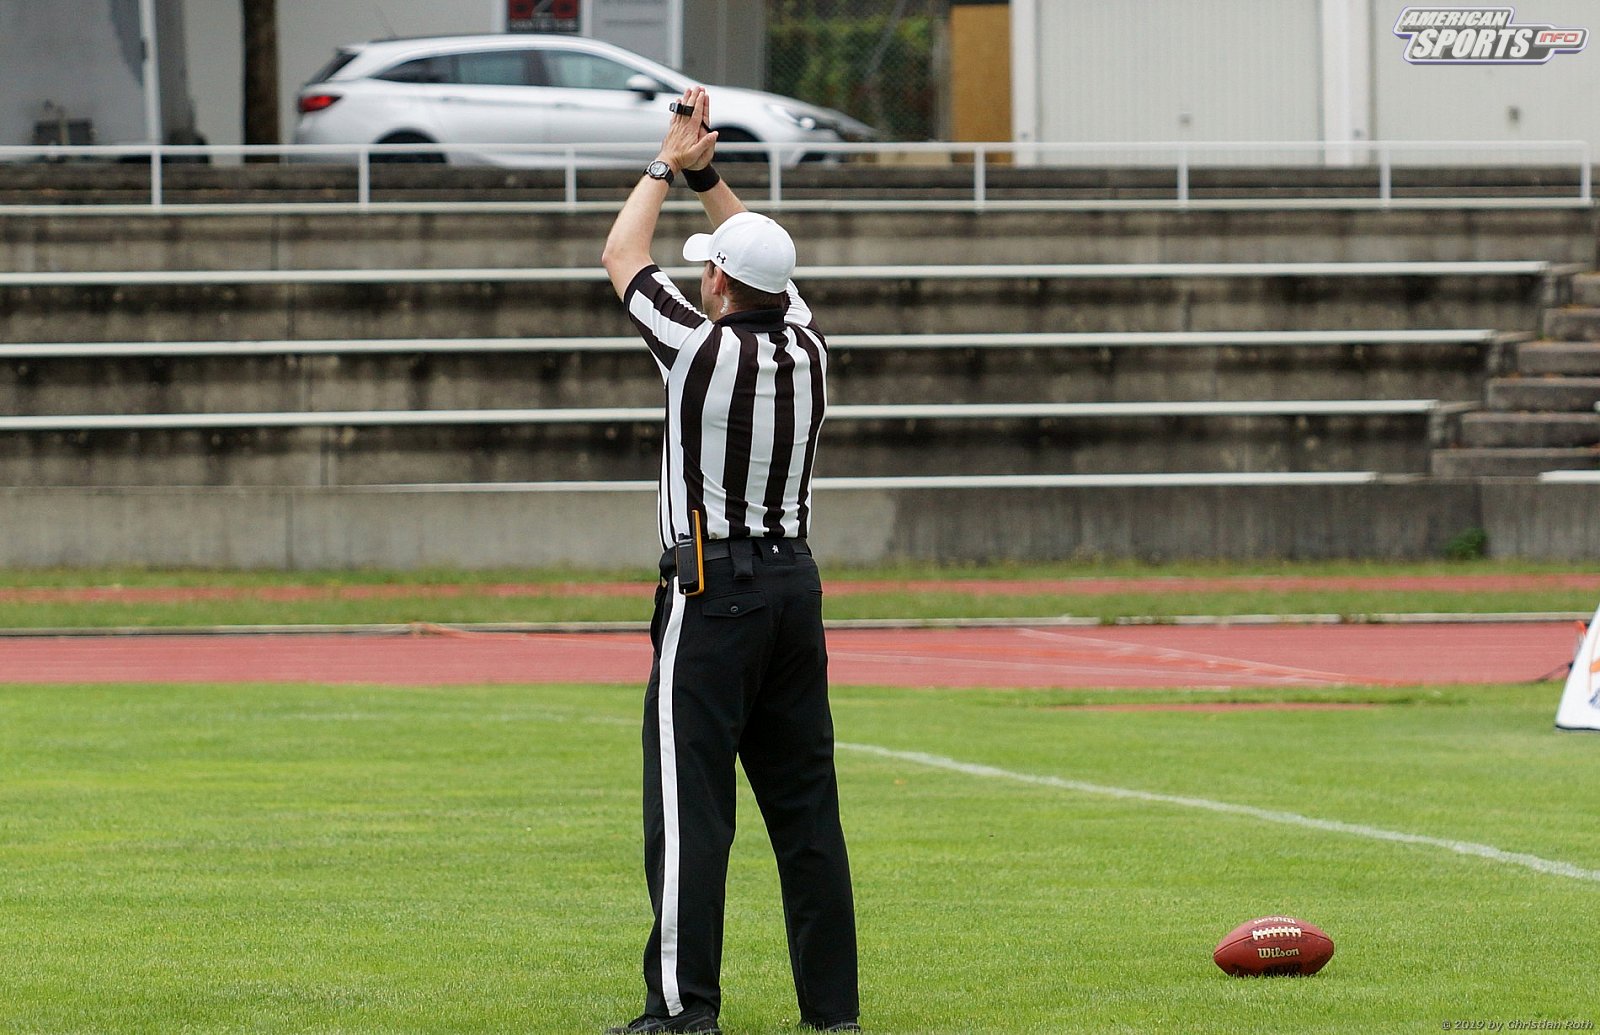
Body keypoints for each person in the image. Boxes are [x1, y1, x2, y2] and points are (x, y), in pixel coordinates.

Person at [599, 86, 860, 1035]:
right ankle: (831, 1011)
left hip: (712, 592)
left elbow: (621, 254)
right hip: (795, 589)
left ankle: (683, 1009)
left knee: (690, 810)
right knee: (808, 813)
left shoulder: (699, 351)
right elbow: (766, 266)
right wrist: (713, 179)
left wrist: (667, 165)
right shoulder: (809, 347)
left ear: (716, 283)